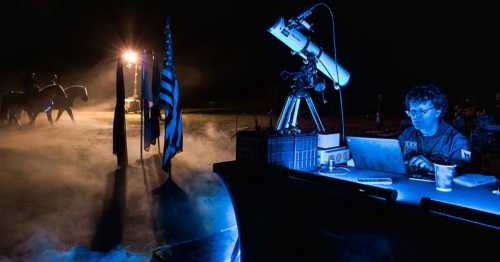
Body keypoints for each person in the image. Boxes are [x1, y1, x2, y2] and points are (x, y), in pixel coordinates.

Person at [399, 84, 471, 172]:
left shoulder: (457, 141)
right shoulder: (407, 135)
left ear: (438, 112)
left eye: (423, 111)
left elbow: (463, 173)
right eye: (413, 111)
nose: (416, 116)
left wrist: (434, 168)